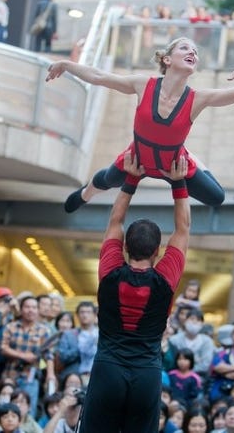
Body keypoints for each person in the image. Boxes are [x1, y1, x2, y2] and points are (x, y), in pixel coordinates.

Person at [46, 36, 234, 213]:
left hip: (175, 165)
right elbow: (99, 76)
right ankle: (85, 194)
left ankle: (190, 155)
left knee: (217, 197)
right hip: (137, 158)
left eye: (195, 51)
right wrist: (66, 64)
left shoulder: (198, 98)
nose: (193, 53)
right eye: (185, 48)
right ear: (167, 59)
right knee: (109, 179)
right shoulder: (143, 84)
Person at [77, 154, 191, 432]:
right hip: (147, 374)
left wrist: (131, 178)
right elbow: (183, 228)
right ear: (157, 252)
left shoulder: (110, 271)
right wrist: (179, 183)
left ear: (125, 247)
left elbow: (114, 222)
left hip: (107, 369)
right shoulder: (165, 279)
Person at [0, 296, 56, 419]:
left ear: (38, 310)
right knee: (5, 410)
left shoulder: (44, 330)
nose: (30, 310)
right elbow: (2, 348)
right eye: (27, 307)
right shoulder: (11, 327)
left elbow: (48, 354)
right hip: (10, 376)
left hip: (31, 378)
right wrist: (23, 356)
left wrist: (50, 375)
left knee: (28, 413)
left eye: (34, 307)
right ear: (21, 309)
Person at [57, 301, 98, 385]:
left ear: (94, 315)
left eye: (88, 312)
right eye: (82, 312)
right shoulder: (69, 334)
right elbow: (63, 357)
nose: (85, 315)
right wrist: (80, 348)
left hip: (99, 374)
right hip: (76, 375)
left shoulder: (102, 335)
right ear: (77, 315)